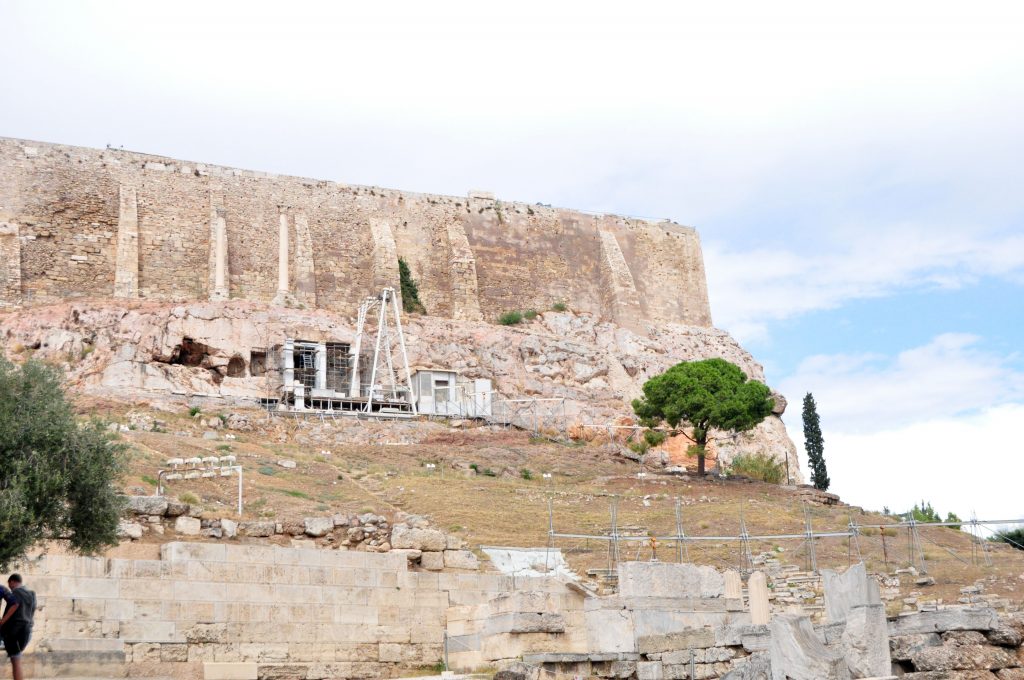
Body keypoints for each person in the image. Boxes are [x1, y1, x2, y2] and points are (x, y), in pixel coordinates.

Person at [1, 574, 36, 680]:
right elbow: (32, 611)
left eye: (10, 584)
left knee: (15, 661)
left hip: (14, 630)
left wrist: (2, 623)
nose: (10, 587)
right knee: (16, 659)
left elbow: (11, 609)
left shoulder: (15, 592)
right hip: (27, 631)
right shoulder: (32, 593)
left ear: (12, 582)